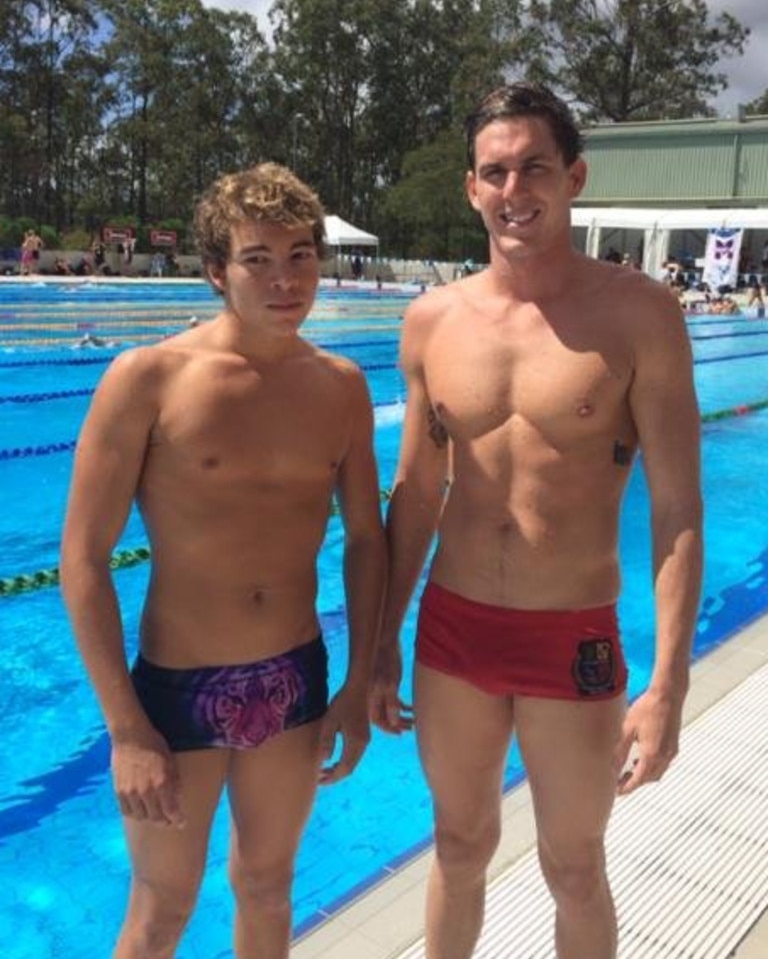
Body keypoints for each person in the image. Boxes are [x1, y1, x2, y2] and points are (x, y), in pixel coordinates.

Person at [370, 83, 702, 959]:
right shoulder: (431, 321)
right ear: (470, 189)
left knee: (574, 864)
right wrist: (379, 638)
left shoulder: (641, 316)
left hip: (573, 635)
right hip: (453, 631)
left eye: (534, 167)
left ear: (575, 176)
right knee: (460, 844)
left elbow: (676, 508)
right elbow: (414, 494)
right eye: (495, 171)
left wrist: (669, 681)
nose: (514, 189)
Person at [60, 162, 387, 959]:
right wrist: (127, 729)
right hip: (177, 693)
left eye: (301, 256)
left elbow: (367, 541)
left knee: (269, 889)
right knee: (161, 910)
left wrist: (360, 677)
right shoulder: (148, 380)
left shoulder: (341, 387)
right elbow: (84, 559)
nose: (285, 280)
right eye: (258, 259)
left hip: (294, 681)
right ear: (216, 271)